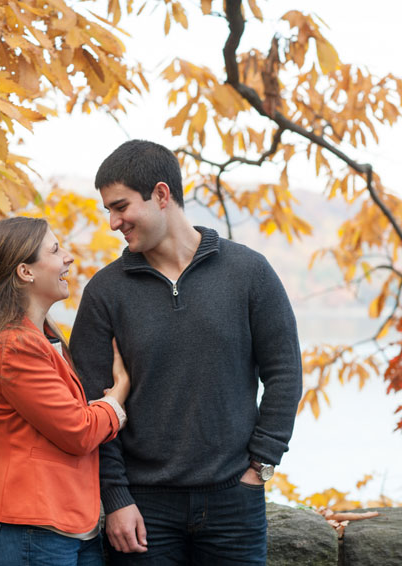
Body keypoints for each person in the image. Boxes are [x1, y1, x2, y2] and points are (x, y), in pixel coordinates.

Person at [70, 140, 303, 565]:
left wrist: (261, 467)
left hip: (235, 502)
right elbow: (88, 404)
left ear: (161, 195)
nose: (112, 222)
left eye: (120, 206)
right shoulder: (105, 293)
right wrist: (116, 496)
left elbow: (285, 373)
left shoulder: (248, 272)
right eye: (108, 210)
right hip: (142, 511)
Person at [0, 216, 130, 566]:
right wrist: (116, 398)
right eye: (55, 250)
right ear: (26, 272)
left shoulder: (43, 337)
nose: (68, 257)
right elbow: (79, 432)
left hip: (71, 526)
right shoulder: (13, 346)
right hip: (33, 529)